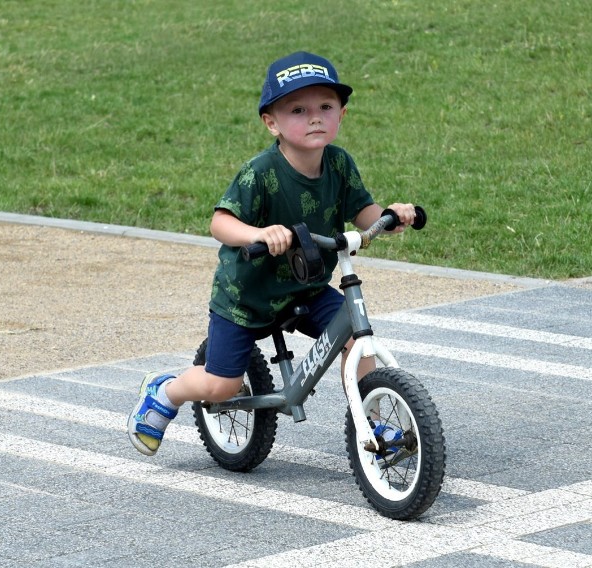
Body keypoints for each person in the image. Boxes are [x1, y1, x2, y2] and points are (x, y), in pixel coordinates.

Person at [128, 51, 416, 456]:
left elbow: (363, 211)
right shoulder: (260, 172)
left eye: (325, 107)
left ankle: (373, 421)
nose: (314, 117)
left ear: (342, 114)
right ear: (271, 122)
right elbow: (220, 224)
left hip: (306, 286)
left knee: (354, 335)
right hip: (247, 295)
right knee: (222, 385)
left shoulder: (339, 164)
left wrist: (390, 216)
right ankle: (166, 391)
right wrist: (259, 233)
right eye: (298, 109)